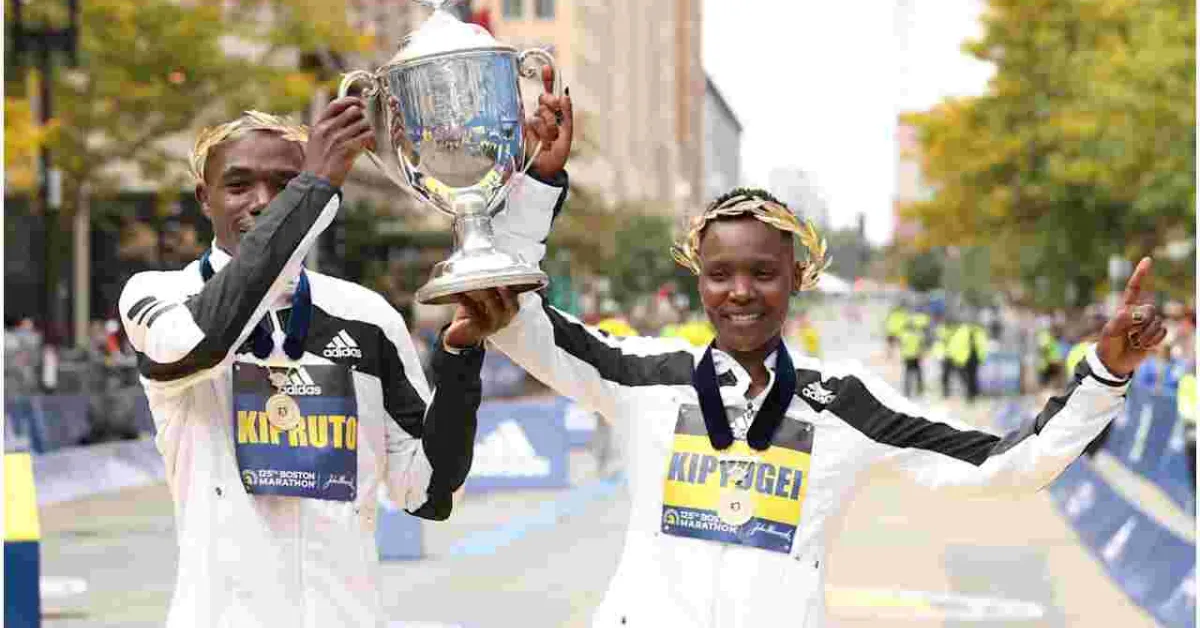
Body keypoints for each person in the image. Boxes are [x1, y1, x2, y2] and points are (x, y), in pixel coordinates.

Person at [450, 180, 1167, 626]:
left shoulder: (845, 404)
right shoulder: (647, 373)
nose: (740, 291)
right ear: (699, 281)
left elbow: (1006, 465)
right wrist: (539, 184)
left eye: (762, 272)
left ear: (798, 277)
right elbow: (520, 318)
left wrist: (1103, 373)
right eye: (720, 272)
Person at [118, 75, 574, 626]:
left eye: (283, 184)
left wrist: (459, 358)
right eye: (238, 185)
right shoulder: (159, 297)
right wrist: (312, 185)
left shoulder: (367, 316)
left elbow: (425, 490)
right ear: (204, 199)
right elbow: (200, 343)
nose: (262, 202)